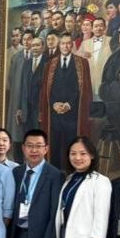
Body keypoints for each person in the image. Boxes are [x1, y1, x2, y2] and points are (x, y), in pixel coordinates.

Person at [40, 33, 93, 168]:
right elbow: (46, 90)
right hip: (54, 114)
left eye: (68, 43)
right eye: (63, 43)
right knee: (54, 146)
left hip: (74, 114)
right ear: (59, 45)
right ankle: (55, 173)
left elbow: (85, 90)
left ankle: (72, 173)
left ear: (72, 45)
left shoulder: (82, 63)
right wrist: (54, 104)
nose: (65, 46)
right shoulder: (50, 65)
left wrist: (69, 105)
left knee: (72, 146)